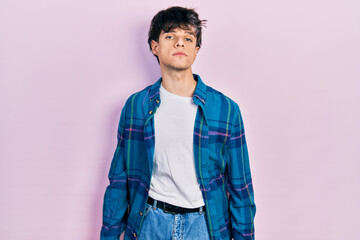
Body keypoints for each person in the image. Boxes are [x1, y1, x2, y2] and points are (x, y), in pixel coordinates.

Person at [100, 6, 256, 240]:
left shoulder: (225, 110)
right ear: (155, 46)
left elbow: (241, 189)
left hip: (204, 226)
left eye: (188, 38)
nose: (179, 43)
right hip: (149, 222)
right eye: (170, 36)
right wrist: (110, 235)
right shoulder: (136, 106)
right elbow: (119, 181)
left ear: (196, 49)